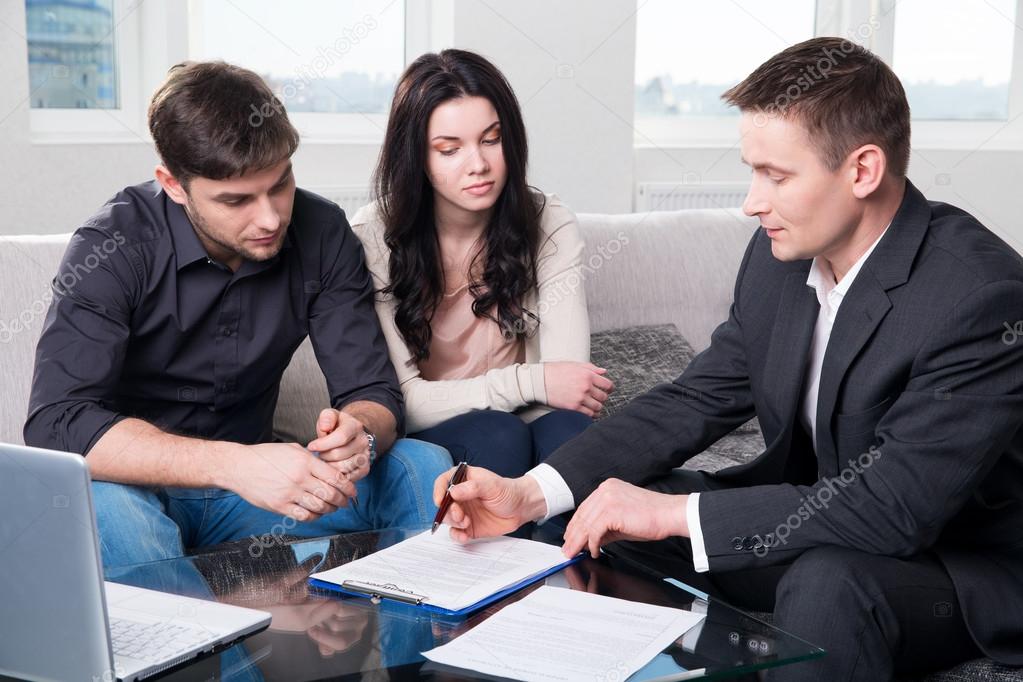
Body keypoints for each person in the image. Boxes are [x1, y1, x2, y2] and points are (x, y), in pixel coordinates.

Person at [432, 38, 1023, 681]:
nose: (751, 201)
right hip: (822, 525)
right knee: (611, 510)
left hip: (960, 566)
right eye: (752, 171)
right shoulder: (778, 259)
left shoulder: (980, 296)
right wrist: (526, 494)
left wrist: (675, 515)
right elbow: (695, 398)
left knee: (828, 583)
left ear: (862, 170)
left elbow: (893, 508)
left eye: (777, 175)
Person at [23, 61, 452, 570]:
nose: (270, 218)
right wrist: (235, 464)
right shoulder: (113, 246)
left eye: (280, 185)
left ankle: (424, 650)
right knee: (112, 513)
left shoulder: (323, 232)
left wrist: (359, 434)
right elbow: (57, 423)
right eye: (236, 200)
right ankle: (202, 646)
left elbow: (374, 393)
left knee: (420, 465)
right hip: (135, 492)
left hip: (257, 498)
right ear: (173, 184)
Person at [351, 49, 612, 479]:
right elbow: (403, 404)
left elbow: (569, 388)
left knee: (572, 431)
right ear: (416, 157)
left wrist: (545, 389)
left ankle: (559, 549)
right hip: (431, 434)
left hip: (527, 425)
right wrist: (532, 382)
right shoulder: (374, 234)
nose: (480, 165)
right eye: (450, 150)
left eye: (492, 139)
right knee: (498, 433)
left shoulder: (548, 221)